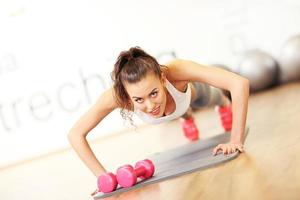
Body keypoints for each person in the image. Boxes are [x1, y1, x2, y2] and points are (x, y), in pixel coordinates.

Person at [68, 46, 249, 177]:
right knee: (170, 110)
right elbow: (75, 134)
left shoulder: (177, 71)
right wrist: (102, 177)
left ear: (162, 79)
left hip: (190, 97)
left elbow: (239, 83)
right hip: (174, 109)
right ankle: (186, 118)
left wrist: (235, 140)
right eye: (139, 99)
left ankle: (222, 104)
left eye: (153, 93)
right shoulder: (116, 96)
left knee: (211, 98)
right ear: (127, 95)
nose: (149, 106)